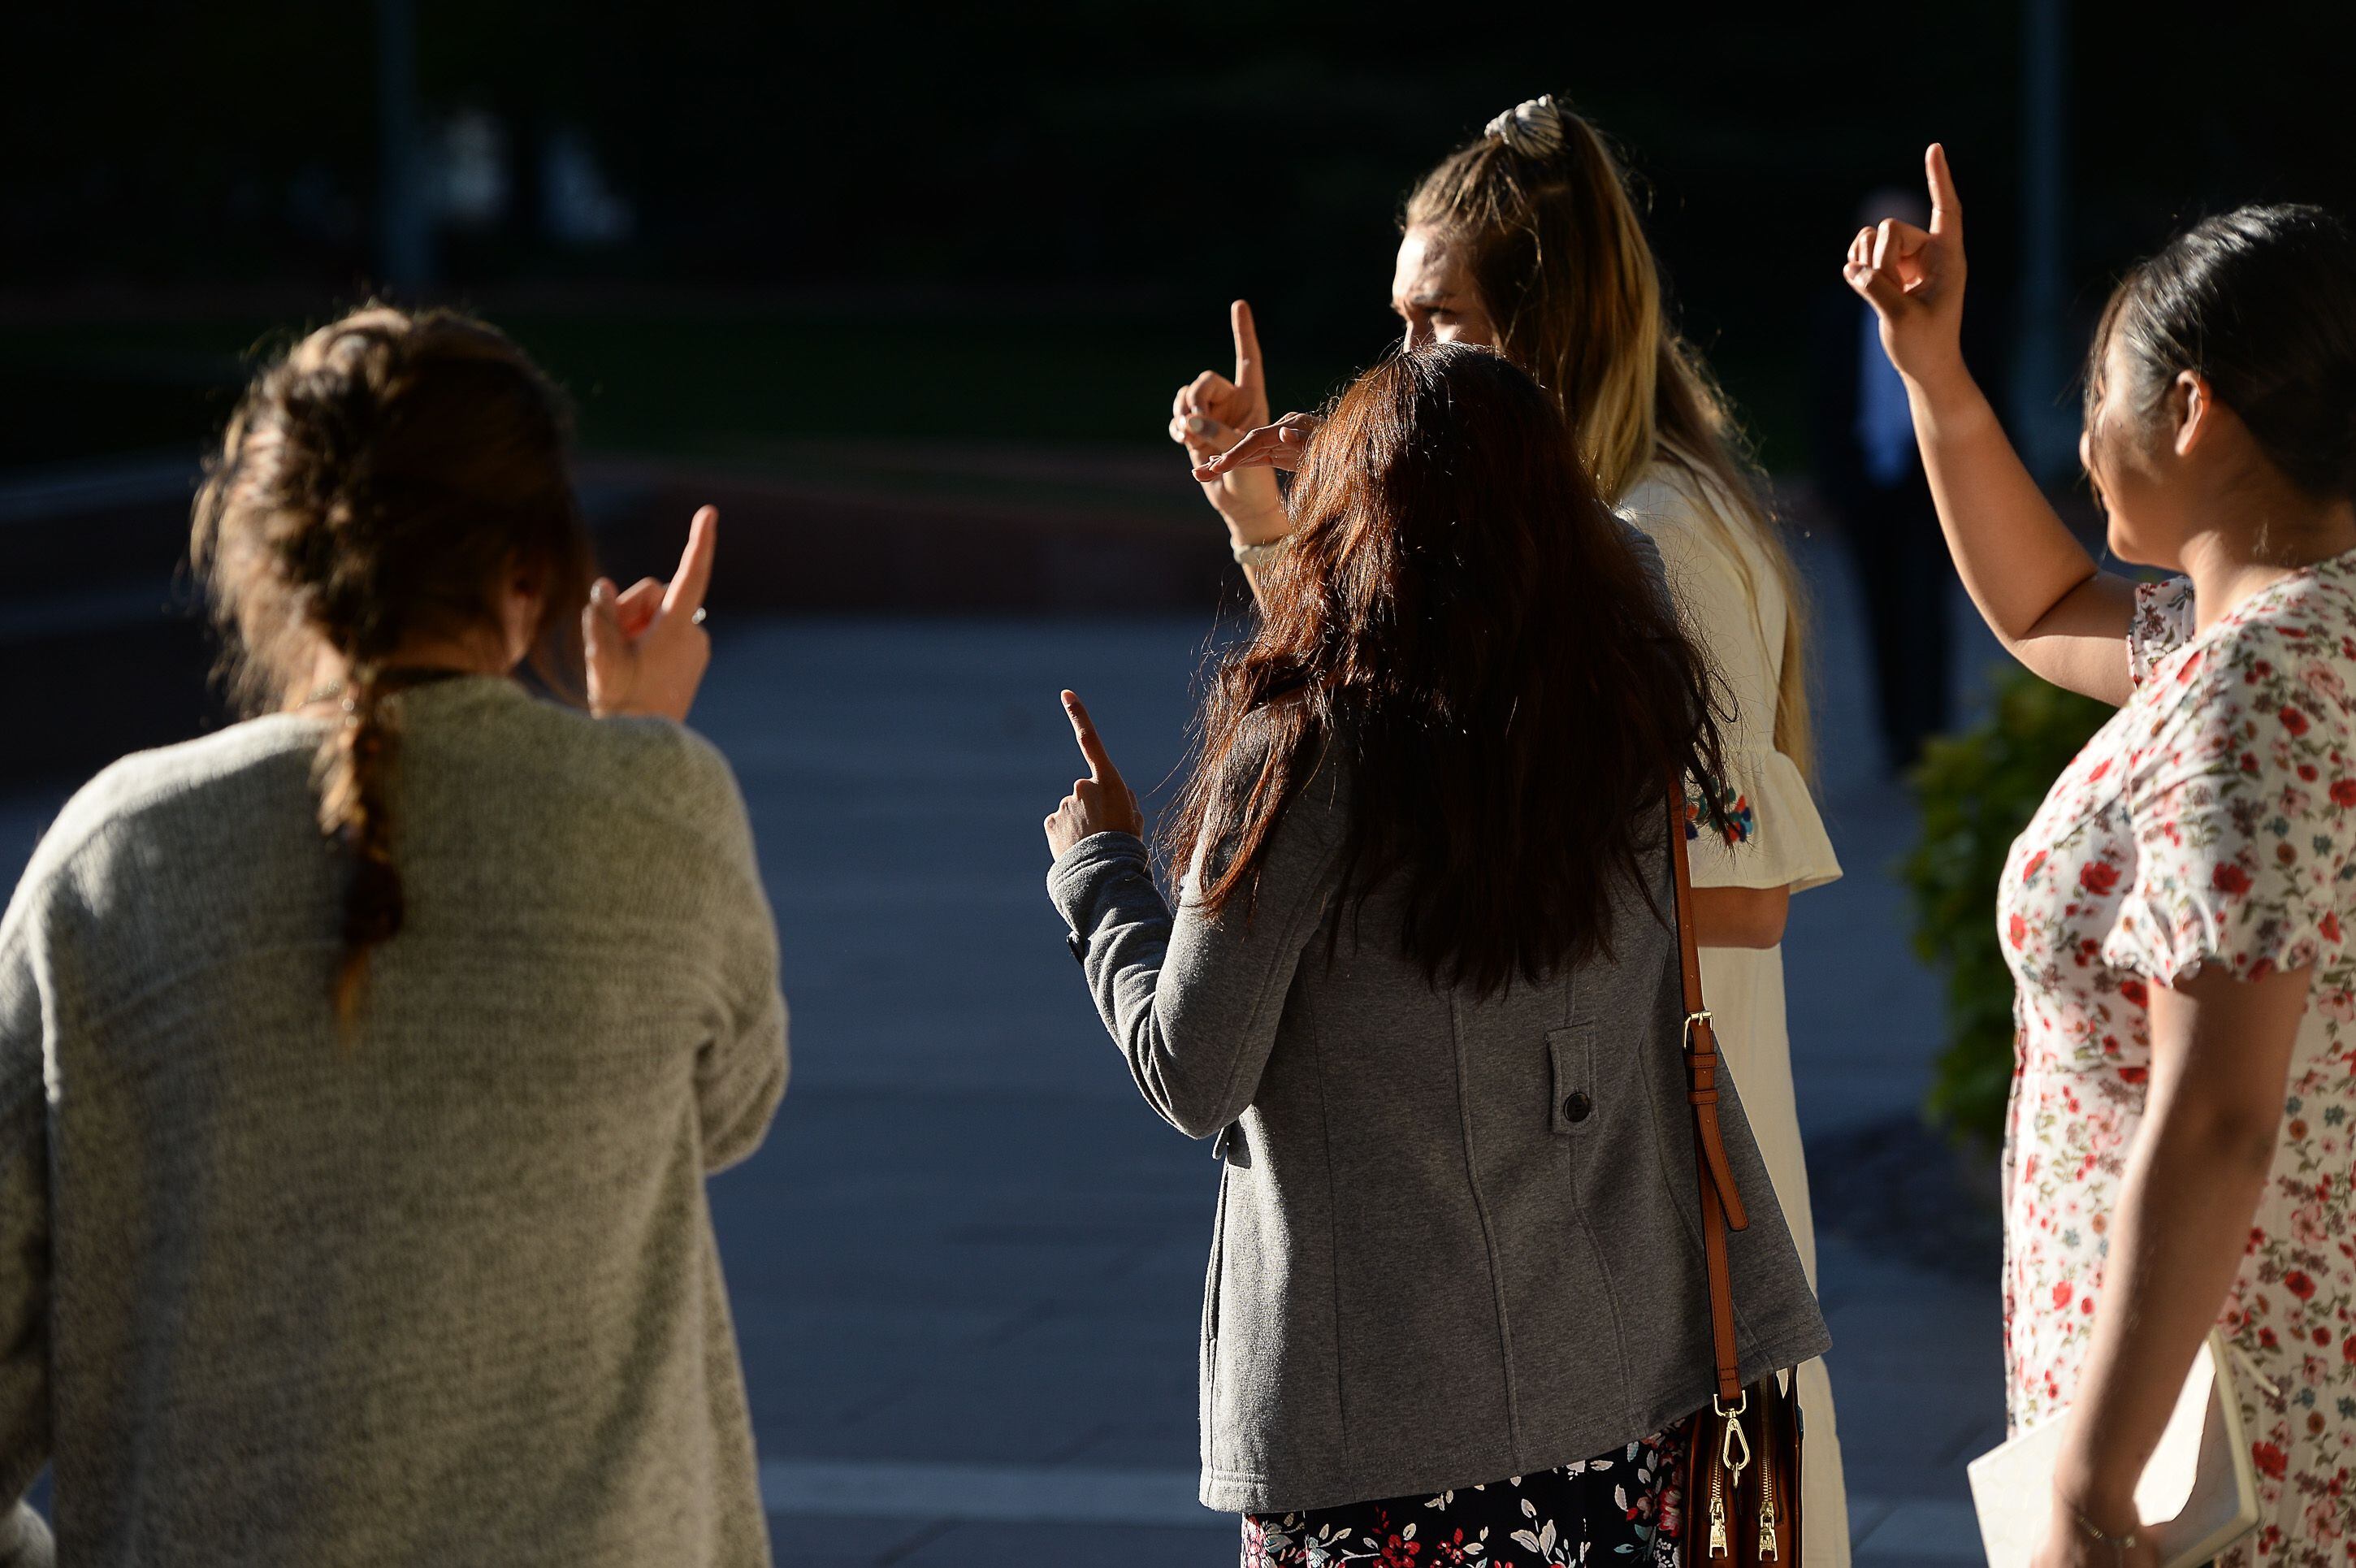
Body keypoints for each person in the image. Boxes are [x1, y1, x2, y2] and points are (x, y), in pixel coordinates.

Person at [0, 306, 788, 1565]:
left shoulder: (112, 858)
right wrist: (635, 741)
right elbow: (730, 1110)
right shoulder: (659, 815)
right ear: (530, 570)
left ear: (267, 557)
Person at [1179, 93, 1851, 1565]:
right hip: (1576, 1215)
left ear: (1547, 328)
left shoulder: (1650, 544)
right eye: (1400, 325)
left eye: (1443, 327)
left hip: (1627, 1219)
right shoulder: (1568, 537)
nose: (1407, 362)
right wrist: (1290, 543)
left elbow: (1734, 890)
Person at [1051, 341, 1829, 1566]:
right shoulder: (1617, 718)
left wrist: (1099, 873)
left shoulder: (1303, 746)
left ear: (1357, 527)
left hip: (1376, 1445)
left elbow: (1192, 1068)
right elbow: (1611, 562)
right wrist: (1423, 468)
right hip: (1613, 1406)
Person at [1847, 145, 2356, 1562]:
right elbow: (2047, 604)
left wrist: (2094, 1472)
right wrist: (1936, 378)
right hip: (2271, 1392)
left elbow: (2218, 1114)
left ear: (2192, 410)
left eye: (2094, 401)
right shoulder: (2290, 643)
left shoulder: (2246, 690)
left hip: (2220, 1447)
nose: (2082, 445)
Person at [1812, 186, 1954, 773]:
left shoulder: (1949, 308)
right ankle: (1896, 737)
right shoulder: (1837, 316)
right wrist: (1837, 485)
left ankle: (1935, 737)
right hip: (1867, 488)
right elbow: (1821, 405)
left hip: (1931, 488)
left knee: (1928, 610)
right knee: (1880, 614)